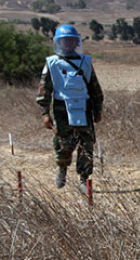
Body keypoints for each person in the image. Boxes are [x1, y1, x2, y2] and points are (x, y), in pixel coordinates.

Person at [36, 24, 104, 191]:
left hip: (84, 109)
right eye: (65, 41)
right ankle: (62, 168)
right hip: (61, 110)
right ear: (59, 42)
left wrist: (98, 109)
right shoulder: (52, 63)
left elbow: (94, 88)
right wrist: (45, 113)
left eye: (71, 40)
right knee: (63, 143)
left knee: (86, 144)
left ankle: (84, 179)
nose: (68, 44)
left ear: (76, 42)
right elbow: (44, 90)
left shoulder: (86, 62)